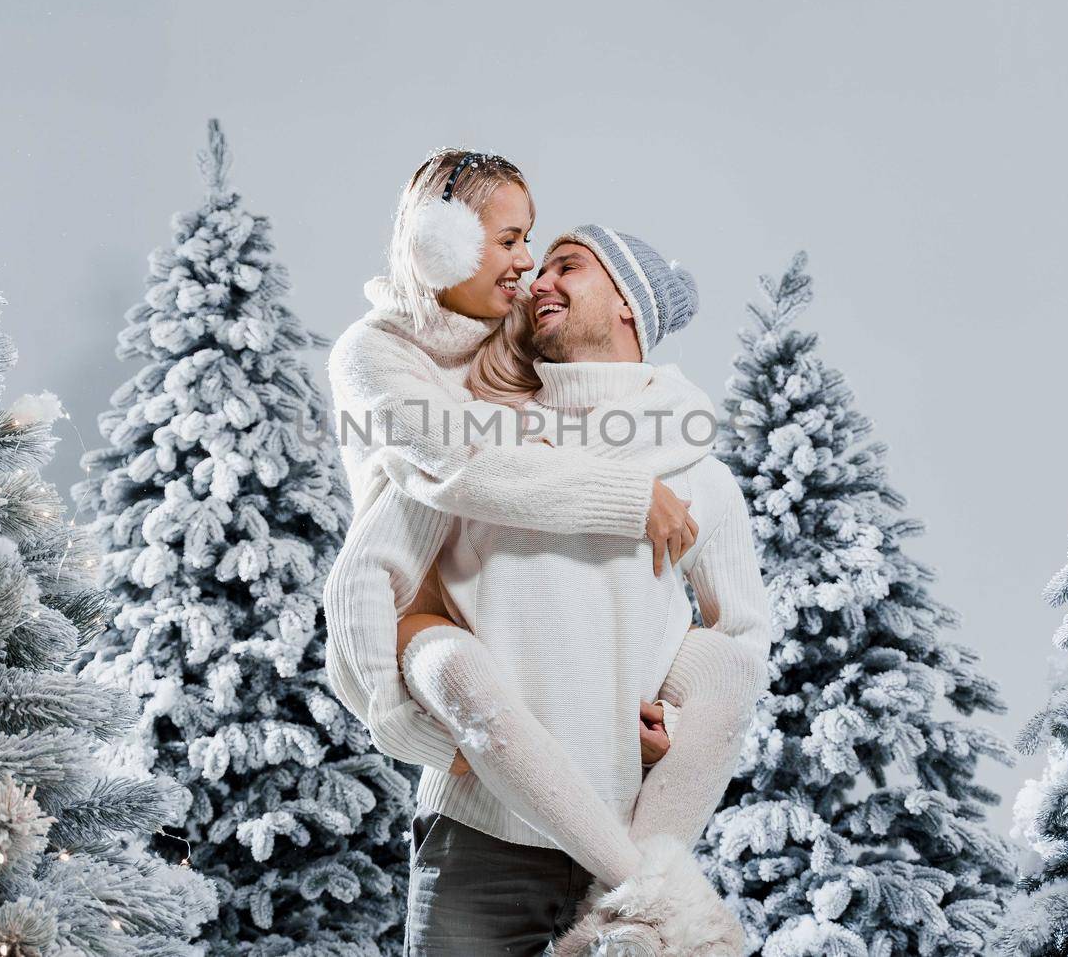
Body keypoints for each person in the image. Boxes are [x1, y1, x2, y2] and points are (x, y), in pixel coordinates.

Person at [324, 195, 770, 953]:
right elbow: (370, 574)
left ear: (630, 304)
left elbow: (745, 636)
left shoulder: (698, 471)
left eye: (568, 265)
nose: (537, 281)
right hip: (478, 840)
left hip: (629, 815)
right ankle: (659, 904)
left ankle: (635, 893)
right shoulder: (479, 441)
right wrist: (402, 719)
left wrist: (683, 726)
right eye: (540, 265)